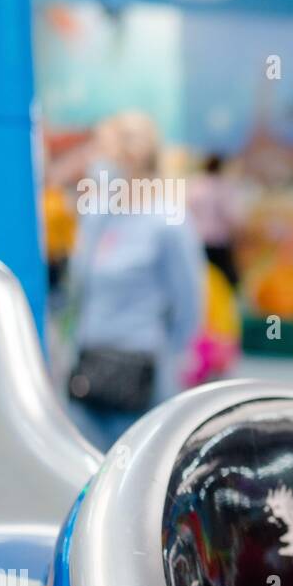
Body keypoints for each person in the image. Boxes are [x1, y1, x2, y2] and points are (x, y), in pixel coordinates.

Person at [64, 111, 206, 451]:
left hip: (143, 374)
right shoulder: (97, 215)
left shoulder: (168, 222)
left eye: (103, 151)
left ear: (131, 158)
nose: (94, 161)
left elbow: (189, 305)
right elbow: (79, 286)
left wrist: (168, 357)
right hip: (90, 368)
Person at [186, 153, 245, 287]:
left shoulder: (195, 185)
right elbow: (231, 215)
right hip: (218, 242)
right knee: (227, 282)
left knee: (201, 280)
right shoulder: (223, 187)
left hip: (198, 239)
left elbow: (188, 210)